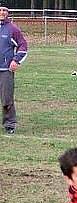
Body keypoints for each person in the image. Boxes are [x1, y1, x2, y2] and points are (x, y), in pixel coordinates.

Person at [0, 2, 28, 135]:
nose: (2, 12)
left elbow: (23, 46)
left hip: (5, 70)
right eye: (0, 10)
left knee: (7, 99)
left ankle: (9, 124)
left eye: (5, 10)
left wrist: (16, 61)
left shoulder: (13, 29)